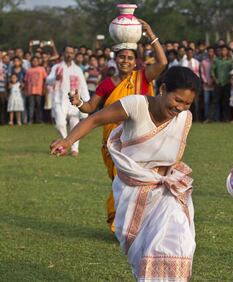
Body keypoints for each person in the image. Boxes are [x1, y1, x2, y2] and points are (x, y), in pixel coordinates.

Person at [51, 66, 200, 282]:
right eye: (177, 100)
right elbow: (94, 119)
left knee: (179, 241)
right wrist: (68, 141)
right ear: (163, 89)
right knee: (144, 252)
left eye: (187, 104)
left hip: (166, 191)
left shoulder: (184, 118)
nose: (180, 108)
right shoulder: (136, 105)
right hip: (132, 189)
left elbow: (173, 157)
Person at [69, 19, 167, 233]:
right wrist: (78, 103)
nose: (125, 61)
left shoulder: (143, 77)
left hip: (140, 138)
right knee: (119, 180)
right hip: (113, 140)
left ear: (135, 62)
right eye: (121, 57)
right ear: (115, 59)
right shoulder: (106, 83)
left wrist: (150, 33)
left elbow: (162, 62)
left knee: (142, 180)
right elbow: (91, 108)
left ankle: (138, 223)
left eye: (129, 58)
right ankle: (122, 223)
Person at [46, 45, 90, 156]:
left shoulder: (77, 69)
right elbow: (48, 80)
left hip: (73, 101)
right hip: (59, 100)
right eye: (67, 52)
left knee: (75, 125)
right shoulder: (57, 67)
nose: (69, 54)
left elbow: (83, 86)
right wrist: (55, 77)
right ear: (63, 53)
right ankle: (64, 145)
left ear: (73, 54)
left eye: (71, 52)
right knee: (60, 124)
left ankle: (75, 149)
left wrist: (87, 102)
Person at [211, 45, 233, 122]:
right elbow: (212, 71)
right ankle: (211, 118)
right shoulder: (216, 60)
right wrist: (215, 79)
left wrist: (230, 80)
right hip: (218, 83)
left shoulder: (230, 61)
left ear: (227, 51)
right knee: (215, 101)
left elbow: (232, 72)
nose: (223, 52)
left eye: (225, 50)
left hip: (226, 83)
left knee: (226, 102)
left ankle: (226, 118)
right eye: (222, 50)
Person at [24, 56, 48, 124]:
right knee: (31, 106)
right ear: (31, 62)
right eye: (33, 61)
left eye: (36, 61)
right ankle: (30, 120)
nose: (35, 62)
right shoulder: (28, 70)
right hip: (30, 91)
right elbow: (26, 81)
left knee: (39, 106)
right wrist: (26, 90)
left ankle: (39, 120)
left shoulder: (41, 69)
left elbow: (45, 80)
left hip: (39, 91)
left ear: (38, 61)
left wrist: (44, 89)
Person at [200, 46, 215, 121]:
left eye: (212, 51)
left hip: (214, 85)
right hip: (206, 85)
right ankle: (207, 118)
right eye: (209, 51)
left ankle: (215, 118)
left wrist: (213, 81)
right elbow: (202, 73)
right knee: (206, 102)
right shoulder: (203, 62)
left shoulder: (216, 61)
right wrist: (206, 81)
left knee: (214, 102)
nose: (210, 53)